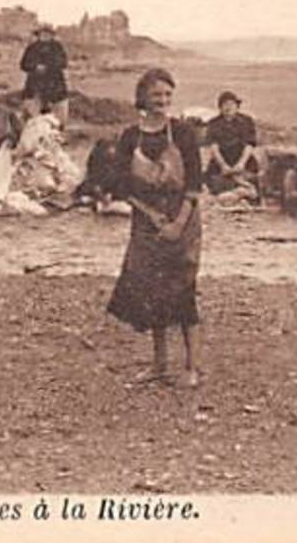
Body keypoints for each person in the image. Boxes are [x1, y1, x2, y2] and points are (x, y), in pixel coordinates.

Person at [104, 67, 205, 388]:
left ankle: (191, 367)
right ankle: (159, 364)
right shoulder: (130, 137)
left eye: (167, 95)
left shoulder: (184, 133)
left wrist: (176, 224)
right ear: (142, 98)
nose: (162, 101)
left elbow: (194, 185)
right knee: (152, 291)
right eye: (156, 95)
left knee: (183, 289)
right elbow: (121, 185)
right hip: (145, 222)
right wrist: (149, 215)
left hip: (182, 218)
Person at [203, 90, 261, 196]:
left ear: (237, 106)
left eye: (231, 104)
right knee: (215, 182)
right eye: (225, 105)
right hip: (222, 159)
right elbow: (213, 147)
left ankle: (243, 188)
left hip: (243, 159)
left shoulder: (246, 121)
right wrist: (223, 165)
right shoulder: (214, 123)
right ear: (220, 107)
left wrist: (240, 164)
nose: (228, 108)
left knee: (252, 178)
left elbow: (249, 144)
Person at [19, 25, 70, 126]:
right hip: (35, 88)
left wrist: (48, 68)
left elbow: (63, 63)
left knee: (58, 120)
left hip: (55, 87)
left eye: (48, 33)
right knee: (33, 119)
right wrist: (35, 67)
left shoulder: (57, 48)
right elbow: (24, 64)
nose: (45, 36)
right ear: (38, 35)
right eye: (43, 33)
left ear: (52, 35)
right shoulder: (32, 48)